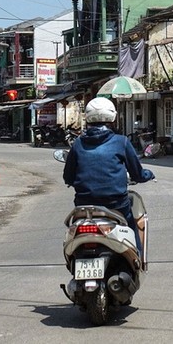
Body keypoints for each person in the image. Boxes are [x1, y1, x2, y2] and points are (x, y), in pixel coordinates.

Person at [63, 97, 154, 256]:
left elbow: (67, 177)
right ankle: (138, 258)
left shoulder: (78, 143)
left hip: (84, 205)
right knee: (131, 226)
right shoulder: (122, 142)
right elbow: (137, 174)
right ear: (112, 118)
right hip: (116, 204)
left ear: (88, 118)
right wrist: (148, 174)